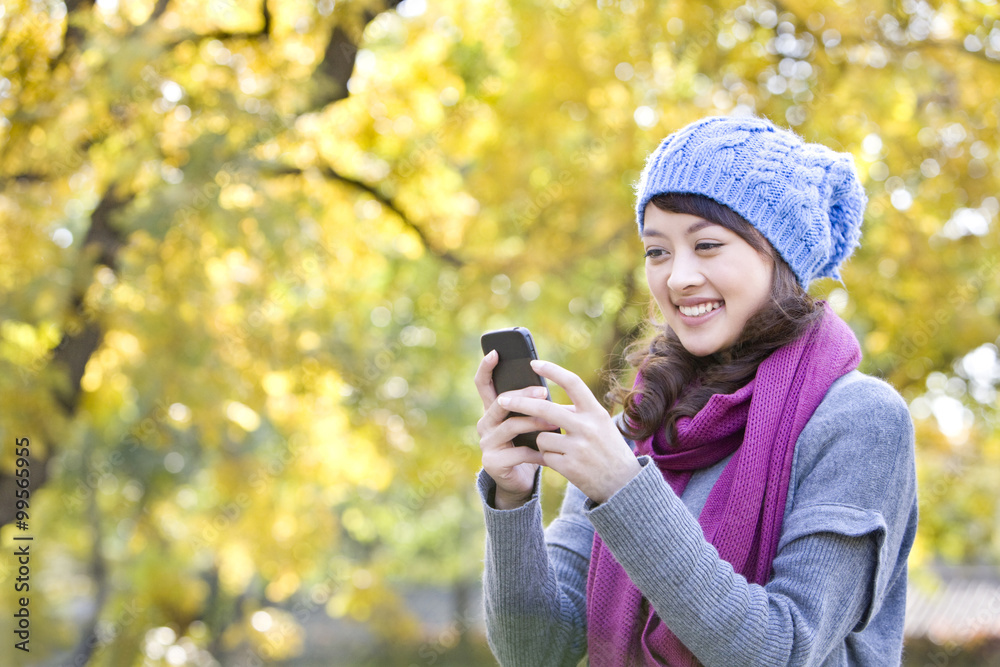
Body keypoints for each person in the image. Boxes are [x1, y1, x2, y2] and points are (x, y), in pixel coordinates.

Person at [473, 115, 918, 666]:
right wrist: (513, 498)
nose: (677, 277)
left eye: (706, 245)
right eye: (657, 250)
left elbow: (782, 650)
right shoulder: (637, 429)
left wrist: (623, 490)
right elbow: (536, 651)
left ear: (778, 255)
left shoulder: (859, 419)